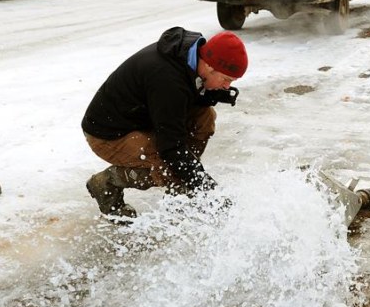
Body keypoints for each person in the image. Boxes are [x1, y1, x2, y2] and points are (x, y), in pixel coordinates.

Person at [82, 27, 247, 219]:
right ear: (209, 66)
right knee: (167, 164)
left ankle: (181, 182)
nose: (228, 86)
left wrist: (212, 93)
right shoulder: (168, 80)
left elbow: (185, 99)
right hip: (108, 134)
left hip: (141, 118)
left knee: (205, 118)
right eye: (226, 79)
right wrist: (205, 186)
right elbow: (171, 146)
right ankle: (106, 183)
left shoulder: (191, 55)